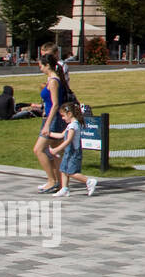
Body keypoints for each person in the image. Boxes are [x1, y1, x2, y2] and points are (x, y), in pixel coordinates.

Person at [48, 102, 97, 198]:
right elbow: (61, 135)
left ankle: (89, 181)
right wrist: (49, 134)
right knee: (63, 169)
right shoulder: (71, 125)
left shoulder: (73, 126)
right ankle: (64, 189)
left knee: (71, 172)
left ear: (69, 114)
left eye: (63, 116)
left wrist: (56, 150)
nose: (62, 118)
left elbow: (68, 140)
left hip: (74, 153)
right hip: (68, 152)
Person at [33, 54, 65, 193]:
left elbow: (55, 104)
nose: (40, 68)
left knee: (38, 150)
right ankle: (60, 182)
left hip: (53, 120)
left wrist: (47, 124)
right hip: (50, 118)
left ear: (47, 65)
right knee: (55, 152)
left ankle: (52, 181)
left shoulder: (53, 81)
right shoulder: (51, 80)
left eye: (41, 65)